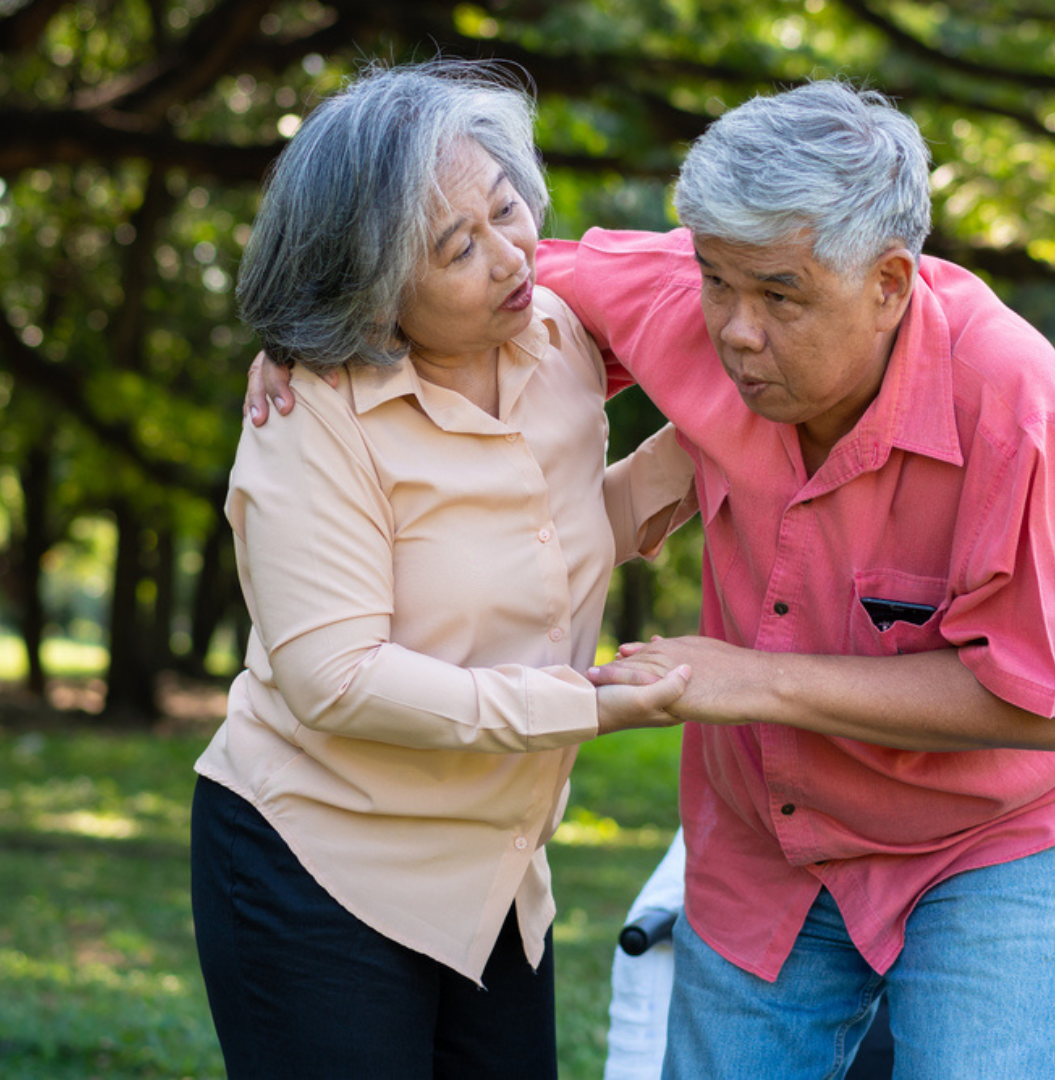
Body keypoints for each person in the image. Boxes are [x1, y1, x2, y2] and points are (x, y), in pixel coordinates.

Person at [250, 79, 1055, 1078]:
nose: (735, 332)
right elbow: (468, 266)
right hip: (771, 835)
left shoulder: (1013, 405)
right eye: (716, 280)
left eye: (779, 296)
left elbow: (1038, 705)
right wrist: (304, 343)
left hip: (988, 842)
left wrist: (751, 679)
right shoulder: (691, 291)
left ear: (889, 283)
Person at [193, 60, 699, 1079]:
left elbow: (734, 266)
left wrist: (715, 439)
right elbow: (334, 678)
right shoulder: (315, 412)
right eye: (457, 248)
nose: (512, 255)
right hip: (322, 865)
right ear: (373, 287)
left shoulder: (555, 328)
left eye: (508, 208)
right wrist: (583, 704)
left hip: (497, 877)